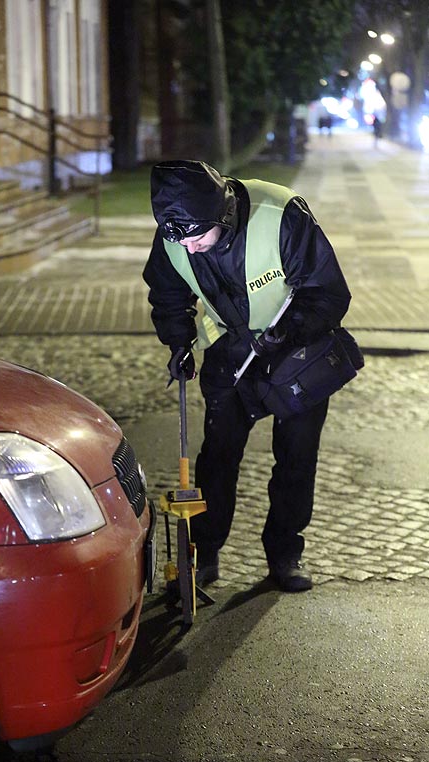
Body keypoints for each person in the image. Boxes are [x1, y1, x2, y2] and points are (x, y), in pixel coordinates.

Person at [143, 160, 351, 593]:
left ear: (222, 215)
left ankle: (284, 554)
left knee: (296, 457)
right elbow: (168, 292)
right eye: (182, 240)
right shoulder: (177, 232)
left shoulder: (281, 216)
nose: (192, 248)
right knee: (217, 458)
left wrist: (286, 332)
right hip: (230, 349)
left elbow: (328, 292)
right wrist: (179, 340)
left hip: (298, 350)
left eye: (199, 238)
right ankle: (203, 554)